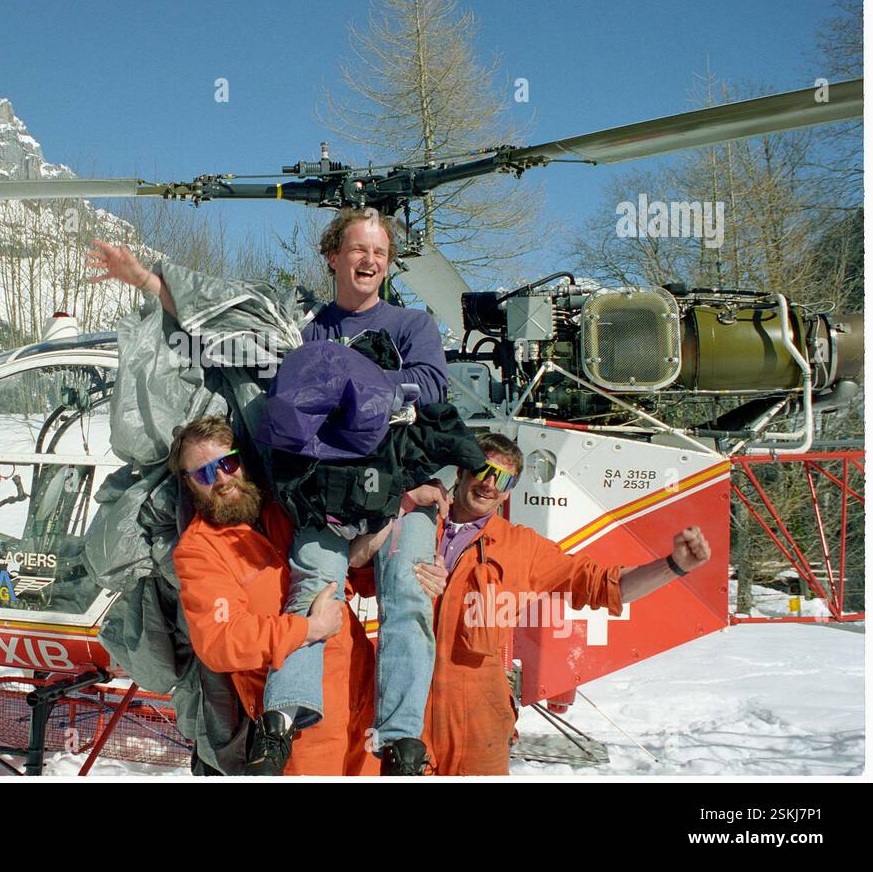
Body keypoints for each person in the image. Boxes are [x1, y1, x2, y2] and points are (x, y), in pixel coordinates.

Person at [88, 208, 452, 776]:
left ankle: (403, 735)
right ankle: (285, 715)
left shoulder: (411, 325)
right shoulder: (302, 330)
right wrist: (148, 282)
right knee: (311, 585)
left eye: (380, 253)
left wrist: (358, 382)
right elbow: (228, 325)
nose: (371, 261)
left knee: (408, 595)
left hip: (400, 485)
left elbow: (431, 383)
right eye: (358, 250)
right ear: (333, 257)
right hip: (326, 498)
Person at [375, 431, 713, 775]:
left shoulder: (524, 548)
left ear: (509, 491)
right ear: (461, 472)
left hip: (478, 730)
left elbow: (604, 586)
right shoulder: (413, 523)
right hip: (400, 723)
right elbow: (356, 571)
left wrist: (674, 565)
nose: (490, 484)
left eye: (504, 479)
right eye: (483, 470)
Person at [167, 415, 379, 776]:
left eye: (227, 463)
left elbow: (356, 578)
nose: (221, 479)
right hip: (299, 721)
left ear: (241, 460)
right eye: (204, 474)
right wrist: (306, 629)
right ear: (189, 485)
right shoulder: (200, 550)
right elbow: (222, 641)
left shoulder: (286, 505)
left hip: (364, 694)